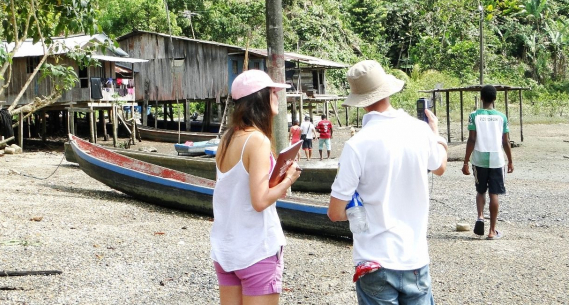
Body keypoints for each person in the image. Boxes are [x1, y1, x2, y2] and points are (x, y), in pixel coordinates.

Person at [327, 60, 448, 305]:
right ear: (388, 90)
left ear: (360, 101)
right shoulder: (419, 130)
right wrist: (437, 136)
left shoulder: (357, 145)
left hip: (374, 261)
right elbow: (440, 167)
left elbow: (335, 212)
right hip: (415, 258)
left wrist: (362, 213)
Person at [210, 69, 302, 305]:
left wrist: (277, 180)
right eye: (273, 92)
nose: (277, 97)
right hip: (255, 248)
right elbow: (259, 201)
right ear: (260, 98)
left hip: (227, 248)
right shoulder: (257, 140)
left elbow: (236, 189)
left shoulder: (228, 138)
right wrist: (290, 178)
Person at [462, 85, 514, 240]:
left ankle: (480, 216)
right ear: (495, 99)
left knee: (480, 191)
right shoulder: (501, 117)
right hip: (497, 160)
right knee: (494, 194)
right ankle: (492, 231)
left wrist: (465, 162)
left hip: (479, 159)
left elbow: (472, 139)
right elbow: (506, 141)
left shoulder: (474, 115)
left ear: (481, 98)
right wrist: (510, 161)